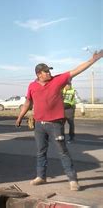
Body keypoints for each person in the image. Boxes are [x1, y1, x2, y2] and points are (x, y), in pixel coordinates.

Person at [16, 50, 102, 191]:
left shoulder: (58, 80)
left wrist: (92, 60)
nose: (49, 73)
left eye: (49, 71)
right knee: (40, 152)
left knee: (62, 152)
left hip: (55, 124)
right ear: (39, 74)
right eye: (46, 71)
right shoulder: (32, 86)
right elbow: (27, 103)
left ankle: (73, 180)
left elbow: (75, 71)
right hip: (39, 125)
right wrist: (20, 117)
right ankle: (41, 177)